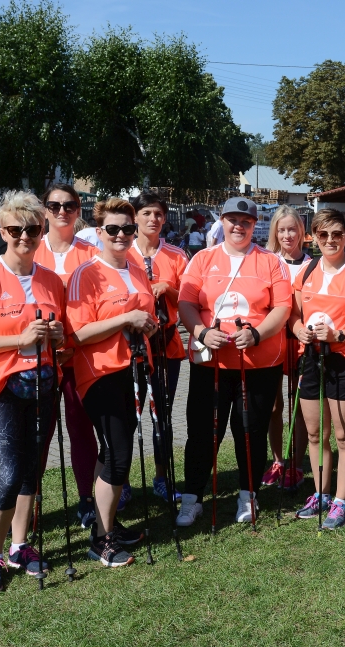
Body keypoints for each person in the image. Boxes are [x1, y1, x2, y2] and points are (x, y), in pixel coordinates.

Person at [0, 191, 64, 592]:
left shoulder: (51, 279)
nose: (25, 237)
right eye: (16, 229)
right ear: (3, 231)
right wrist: (19, 339)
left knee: (31, 470)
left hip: (43, 384)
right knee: (9, 473)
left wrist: (56, 334)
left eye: (33, 229)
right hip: (1, 386)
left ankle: (20, 545)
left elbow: (61, 336)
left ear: (42, 231)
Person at [175, 197, 292, 527]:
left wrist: (256, 334)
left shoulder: (270, 261)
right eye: (232, 220)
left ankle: (248, 494)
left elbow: (282, 308)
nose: (238, 226)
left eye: (246, 221)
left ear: (254, 225)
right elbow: (186, 303)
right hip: (211, 363)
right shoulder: (203, 258)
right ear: (222, 222)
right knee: (202, 431)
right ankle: (192, 498)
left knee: (250, 431)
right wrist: (201, 332)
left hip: (257, 364)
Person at [67, 197, 159, 567]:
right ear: (99, 232)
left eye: (128, 229)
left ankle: (107, 524)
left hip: (134, 371)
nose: (121, 235)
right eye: (113, 229)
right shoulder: (85, 274)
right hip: (100, 374)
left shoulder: (136, 268)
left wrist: (147, 326)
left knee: (112, 453)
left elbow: (147, 318)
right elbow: (77, 334)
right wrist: (125, 319)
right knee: (119, 455)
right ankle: (100, 539)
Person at [291, 208, 345, 528]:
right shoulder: (307, 271)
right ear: (313, 236)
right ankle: (321, 493)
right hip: (311, 358)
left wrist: (338, 335)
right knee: (315, 433)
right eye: (323, 234)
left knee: (343, 435)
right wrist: (299, 330)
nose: (330, 240)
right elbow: (294, 315)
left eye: (337, 234)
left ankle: (341, 501)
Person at [32, 183, 102, 527]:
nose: (62, 211)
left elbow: (99, 306)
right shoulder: (30, 247)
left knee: (81, 429)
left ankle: (87, 500)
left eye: (70, 205)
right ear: (45, 209)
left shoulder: (92, 253)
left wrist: (71, 344)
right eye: (55, 205)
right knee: (38, 433)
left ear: (78, 210)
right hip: (39, 360)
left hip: (79, 357)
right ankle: (29, 502)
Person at [130, 192, 190, 503]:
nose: (153, 219)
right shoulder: (122, 252)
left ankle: (162, 477)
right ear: (135, 217)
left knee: (162, 415)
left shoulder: (177, 256)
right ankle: (120, 482)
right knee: (128, 415)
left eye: (158, 214)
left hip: (167, 346)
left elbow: (193, 300)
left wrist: (168, 288)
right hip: (130, 348)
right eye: (146, 213)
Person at [264, 206, 312, 489]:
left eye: (292, 229)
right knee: (274, 406)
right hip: (273, 341)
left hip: (301, 342)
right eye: (281, 230)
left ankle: (297, 463)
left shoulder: (312, 264)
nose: (287, 235)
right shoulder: (268, 261)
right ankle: (277, 460)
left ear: (301, 231)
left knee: (299, 405)